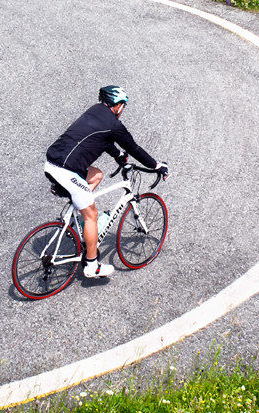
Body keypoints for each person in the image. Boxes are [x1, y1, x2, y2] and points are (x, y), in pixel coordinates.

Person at [44, 85, 168, 279]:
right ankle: (92, 266)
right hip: (67, 171)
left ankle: (76, 221)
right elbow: (134, 148)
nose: (123, 110)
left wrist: (118, 155)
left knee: (96, 175)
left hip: (52, 163)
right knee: (92, 214)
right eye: (123, 106)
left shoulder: (95, 110)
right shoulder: (115, 125)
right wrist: (156, 165)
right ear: (117, 105)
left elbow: (103, 139)